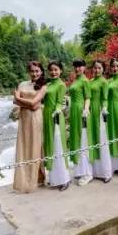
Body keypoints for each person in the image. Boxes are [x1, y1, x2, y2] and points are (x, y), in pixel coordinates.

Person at [12, 61, 46, 192]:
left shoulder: (43, 86)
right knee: (23, 146)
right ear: (29, 72)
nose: (35, 73)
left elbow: (33, 103)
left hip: (36, 119)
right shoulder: (22, 84)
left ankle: (36, 179)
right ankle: (24, 180)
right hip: (24, 118)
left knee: (35, 146)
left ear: (41, 71)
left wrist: (21, 100)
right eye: (32, 71)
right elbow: (17, 101)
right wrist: (29, 104)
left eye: (37, 71)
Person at [43, 60, 71, 191]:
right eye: (51, 70)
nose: (53, 72)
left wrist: (58, 110)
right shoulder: (48, 84)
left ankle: (64, 179)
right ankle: (54, 178)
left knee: (58, 145)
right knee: (50, 146)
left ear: (60, 71)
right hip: (47, 115)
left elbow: (60, 102)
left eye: (56, 69)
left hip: (55, 116)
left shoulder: (61, 85)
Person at [68, 59, 93, 185]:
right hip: (73, 111)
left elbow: (88, 97)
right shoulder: (75, 80)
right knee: (76, 140)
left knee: (83, 141)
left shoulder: (84, 80)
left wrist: (86, 110)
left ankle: (88, 173)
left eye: (79, 66)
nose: (77, 69)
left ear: (84, 68)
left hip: (81, 112)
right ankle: (80, 170)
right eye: (75, 66)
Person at [88, 60, 113, 182]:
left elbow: (105, 98)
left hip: (99, 111)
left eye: (99, 68)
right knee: (92, 140)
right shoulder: (90, 81)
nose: (96, 70)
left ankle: (106, 172)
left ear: (103, 69)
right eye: (95, 68)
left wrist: (104, 108)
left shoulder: (104, 82)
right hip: (90, 112)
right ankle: (95, 171)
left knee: (101, 139)